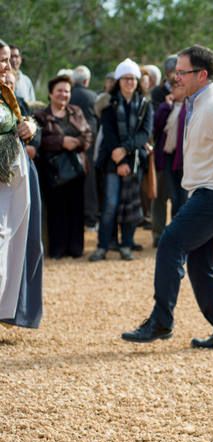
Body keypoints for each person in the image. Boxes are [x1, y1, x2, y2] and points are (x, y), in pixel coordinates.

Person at [121, 44, 213, 349]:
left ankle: (161, 322)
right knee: (202, 264)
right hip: (209, 193)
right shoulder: (199, 103)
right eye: (175, 74)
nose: (176, 79)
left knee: (171, 242)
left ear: (201, 74)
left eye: (182, 73)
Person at [88, 58, 153, 262]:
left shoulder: (145, 105)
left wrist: (125, 150)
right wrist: (119, 159)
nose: (129, 82)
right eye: (125, 78)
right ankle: (103, 246)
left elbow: (145, 134)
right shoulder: (109, 104)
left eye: (133, 79)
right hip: (111, 162)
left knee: (131, 206)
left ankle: (126, 244)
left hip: (134, 161)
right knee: (110, 205)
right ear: (118, 80)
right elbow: (108, 133)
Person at [0, 39, 42, 329]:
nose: (7, 66)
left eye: (6, 61)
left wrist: (31, 127)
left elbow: (26, 119)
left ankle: (7, 312)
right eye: (2, 61)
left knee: (14, 246)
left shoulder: (7, 92)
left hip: (17, 180)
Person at [34, 75, 93, 259]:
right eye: (59, 90)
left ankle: (76, 248)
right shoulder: (41, 116)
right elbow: (40, 140)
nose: (63, 94)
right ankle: (57, 248)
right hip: (53, 172)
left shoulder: (76, 111)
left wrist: (75, 142)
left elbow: (88, 134)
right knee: (56, 210)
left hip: (76, 170)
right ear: (51, 94)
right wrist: (61, 141)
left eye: (67, 91)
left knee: (76, 209)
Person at [151, 80, 188, 247]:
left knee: (181, 197)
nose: (177, 90)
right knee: (160, 196)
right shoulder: (166, 106)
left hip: (184, 160)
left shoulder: (192, 107)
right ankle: (158, 234)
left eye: (180, 86)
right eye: (175, 87)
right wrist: (165, 107)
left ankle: (177, 233)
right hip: (165, 157)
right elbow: (156, 126)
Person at [70, 65, 100, 229]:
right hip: (90, 143)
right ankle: (91, 218)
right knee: (90, 180)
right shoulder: (93, 96)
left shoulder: (68, 95)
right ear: (87, 81)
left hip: (71, 142)